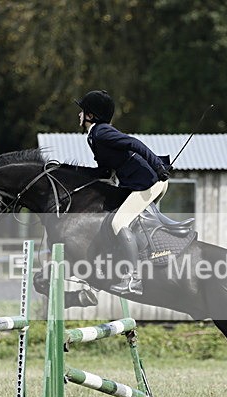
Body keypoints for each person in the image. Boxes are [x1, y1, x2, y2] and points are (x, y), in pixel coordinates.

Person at [75, 89, 172, 295]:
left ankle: (133, 278)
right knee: (119, 219)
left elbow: (133, 143)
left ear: (91, 115)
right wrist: (71, 171)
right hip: (142, 182)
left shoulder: (101, 132)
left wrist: (158, 166)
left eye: (82, 111)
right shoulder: (95, 136)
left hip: (149, 182)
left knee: (118, 222)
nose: (79, 115)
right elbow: (104, 171)